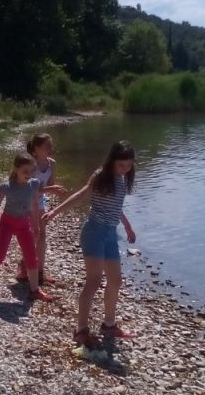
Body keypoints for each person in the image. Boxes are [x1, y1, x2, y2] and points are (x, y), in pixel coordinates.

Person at [42, 140, 137, 348]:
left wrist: (128, 226)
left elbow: (116, 206)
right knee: (93, 281)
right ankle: (81, 330)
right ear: (112, 161)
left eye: (129, 165)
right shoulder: (100, 176)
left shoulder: (122, 180)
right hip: (94, 232)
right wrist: (55, 212)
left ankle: (109, 325)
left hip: (110, 235)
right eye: (121, 165)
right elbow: (81, 195)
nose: (125, 169)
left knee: (115, 281)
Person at [0, 152, 56, 302]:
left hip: (24, 225)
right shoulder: (7, 187)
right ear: (16, 169)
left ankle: (35, 290)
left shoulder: (34, 184)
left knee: (32, 258)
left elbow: (34, 205)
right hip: (7, 223)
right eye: (25, 171)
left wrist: (36, 226)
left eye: (31, 171)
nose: (28, 174)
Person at [17, 134, 66, 284]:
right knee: (33, 235)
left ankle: (40, 271)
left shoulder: (51, 163)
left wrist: (56, 190)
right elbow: (28, 189)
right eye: (47, 146)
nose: (51, 148)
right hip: (27, 202)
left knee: (42, 236)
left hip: (40, 202)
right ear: (36, 149)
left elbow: (49, 185)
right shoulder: (31, 165)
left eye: (51, 145)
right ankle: (24, 266)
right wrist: (51, 189)